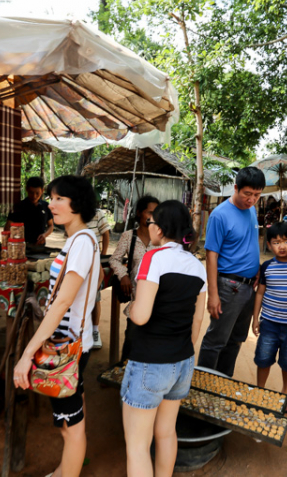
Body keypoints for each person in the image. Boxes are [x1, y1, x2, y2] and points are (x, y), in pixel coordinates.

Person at [13, 175, 100, 477]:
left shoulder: (82, 242)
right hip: (72, 344)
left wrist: (28, 353)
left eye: (59, 198)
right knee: (72, 420)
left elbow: (63, 302)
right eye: (51, 198)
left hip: (68, 348)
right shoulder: (78, 240)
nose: (51, 204)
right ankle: (64, 470)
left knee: (69, 427)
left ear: (78, 204)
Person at [120, 200, 206, 477]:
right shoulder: (197, 265)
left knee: (137, 446)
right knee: (167, 434)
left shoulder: (153, 258)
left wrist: (131, 307)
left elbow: (141, 317)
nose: (149, 227)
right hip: (182, 361)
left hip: (150, 360)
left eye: (151, 222)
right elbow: (197, 323)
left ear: (159, 228)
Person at [198, 166, 265, 377]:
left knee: (236, 339)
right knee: (216, 339)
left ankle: (223, 380)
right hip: (229, 287)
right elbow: (211, 256)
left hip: (249, 287)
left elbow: (249, 242)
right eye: (247, 194)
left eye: (257, 194)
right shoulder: (220, 215)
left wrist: (255, 269)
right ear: (236, 188)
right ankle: (204, 384)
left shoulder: (252, 210)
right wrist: (214, 294)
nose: (252, 199)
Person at [251, 222, 287, 414]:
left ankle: (285, 393)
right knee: (263, 359)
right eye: (276, 242)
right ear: (269, 245)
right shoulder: (267, 267)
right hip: (269, 324)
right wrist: (256, 319)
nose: (281, 246)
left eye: (286, 242)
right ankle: (259, 390)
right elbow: (259, 294)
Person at [108, 195, 159, 360]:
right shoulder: (129, 237)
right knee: (132, 339)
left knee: (153, 342)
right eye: (149, 212)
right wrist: (123, 275)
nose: (153, 217)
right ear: (139, 213)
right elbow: (114, 259)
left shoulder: (161, 239)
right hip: (136, 298)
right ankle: (122, 375)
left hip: (158, 298)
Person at [85, 210, 111, 350]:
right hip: (79, 260)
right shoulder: (73, 210)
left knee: (95, 297)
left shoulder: (97, 213)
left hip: (94, 260)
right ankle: (82, 331)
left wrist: (102, 255)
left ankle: (95, 331)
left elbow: (106, 234)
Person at [6, 176, 54, 247]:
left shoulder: (46, 206)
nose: (34, 196)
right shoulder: (18, 206)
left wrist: (44, 235)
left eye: (37, 193)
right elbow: (7, 227)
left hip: (39, 247)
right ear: (27, 189)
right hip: (20, 247)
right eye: (31, 193)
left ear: (42, 191)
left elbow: (51, 226)